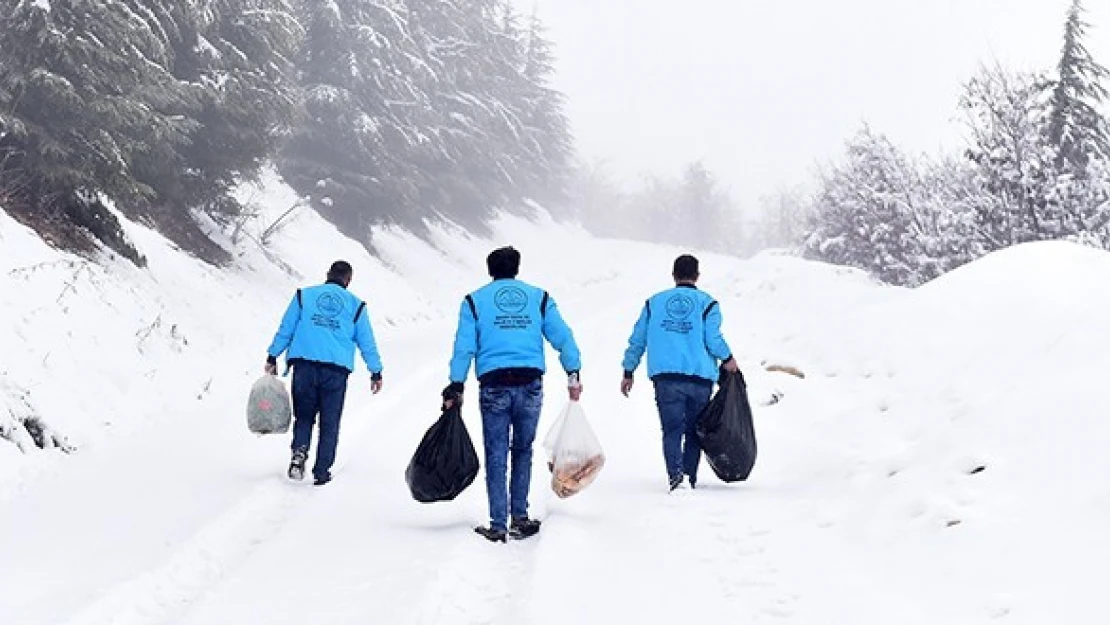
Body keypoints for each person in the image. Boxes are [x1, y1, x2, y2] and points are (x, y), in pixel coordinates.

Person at [443, 246, 582, 542]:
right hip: (530, 382)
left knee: (496, 453)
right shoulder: (538, 298)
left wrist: (456, 384)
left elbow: (464, 346)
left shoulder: (474, 301)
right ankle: (519, 516)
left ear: (490, 269)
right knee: (522, 450)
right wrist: (573, 372)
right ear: (516, 268)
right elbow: (563, 336)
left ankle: (498, 524)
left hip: (493, 384)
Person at [620, 254, 739, 492]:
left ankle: (676, 478)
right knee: (695, 430)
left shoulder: (654, 303)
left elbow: (638, 340)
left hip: (666, 379)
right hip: (699, 379)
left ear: (673, 275)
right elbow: (713, 339)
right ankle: (689, 477)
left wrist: (628, 370)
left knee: (672, 429)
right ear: (697, 276)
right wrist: (728, 359)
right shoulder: (708, 304)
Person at [265, 260, 384, 486]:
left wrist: (272, 355)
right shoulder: (356, 306)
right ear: (348, 280)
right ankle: (321, 472)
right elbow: (367, 342)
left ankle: (299, 454)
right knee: (330, 422)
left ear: (327, 274)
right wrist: (375, 371)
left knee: (304, 416)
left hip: (304, 366)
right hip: (335, 373)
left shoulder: (304, 296)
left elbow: (286, 329)